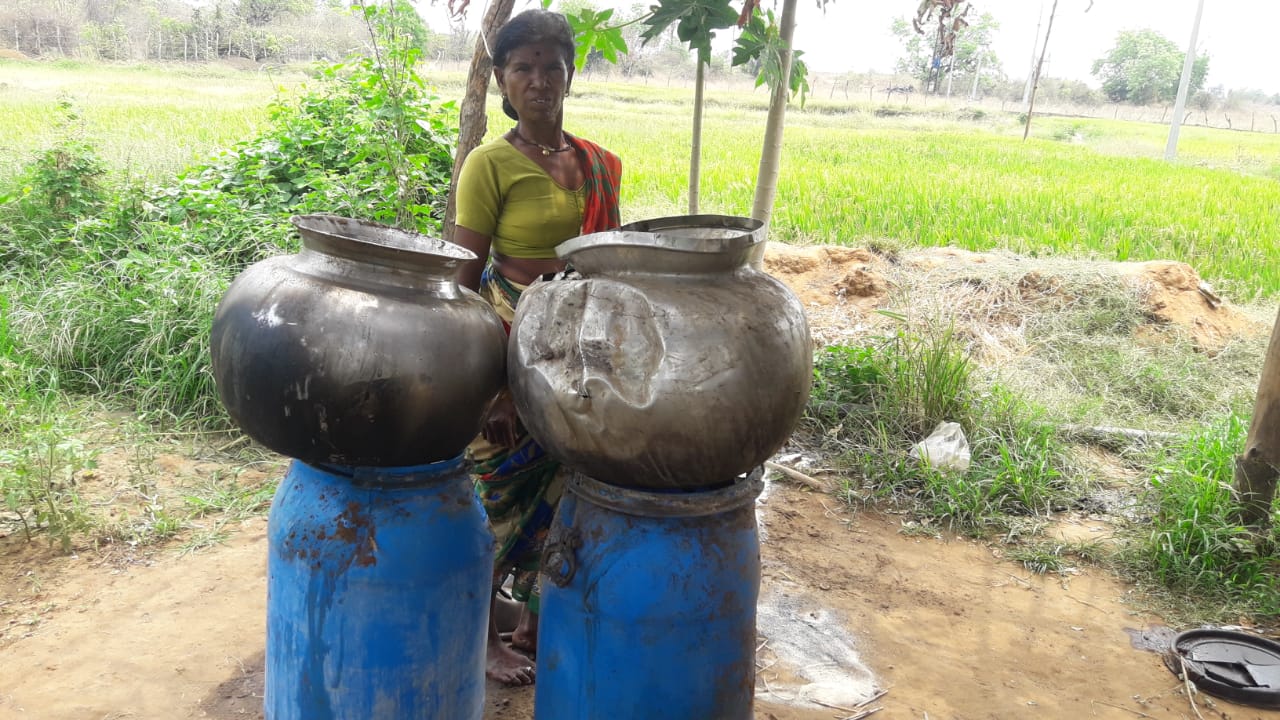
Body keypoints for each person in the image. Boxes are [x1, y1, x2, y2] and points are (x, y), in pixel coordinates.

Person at [452, 8, 622, 687]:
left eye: (552, 66)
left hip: (578, 343)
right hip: (511, 337)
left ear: (569, 74)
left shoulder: (599, 165)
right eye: (523, 67)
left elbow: (607, 263)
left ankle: (531, 620)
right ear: (501, 80)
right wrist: (494, 384)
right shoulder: (488, 165)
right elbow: (464, 285)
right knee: (499, 487)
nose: (540, 80)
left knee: (570, 477)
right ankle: (476, 634)